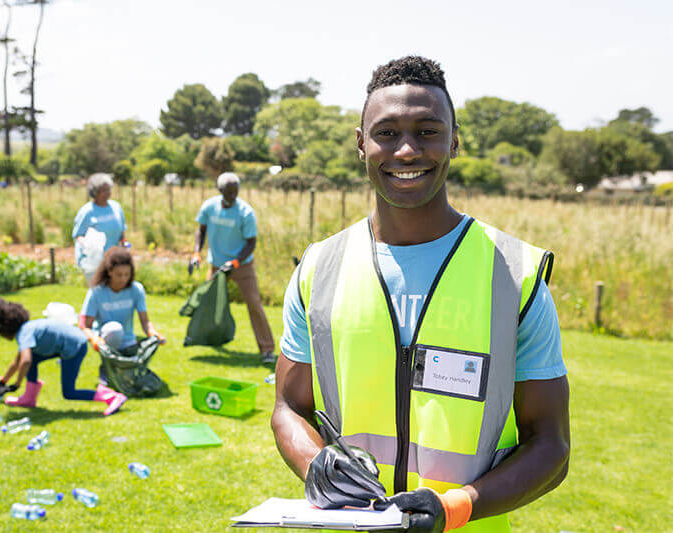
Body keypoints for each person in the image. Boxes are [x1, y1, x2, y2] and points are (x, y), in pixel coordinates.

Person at [270, 56, 570, 532]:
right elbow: (289, 407)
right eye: (387, 132)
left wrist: (456, 508)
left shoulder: (517, 275)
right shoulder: (319, 268)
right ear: (360, 143)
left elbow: (551, 444)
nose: (407, 150)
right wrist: (316, 466)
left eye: (428, 131)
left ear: (454, 140)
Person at [0, 299, 127, 416]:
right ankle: (29, 398)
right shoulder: (28, 327)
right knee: (33, 359)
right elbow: (18, 361)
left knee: (69, 392)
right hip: (73, 341)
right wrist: (3, 381)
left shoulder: (24, 334)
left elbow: (25, 361)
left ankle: (112, 397)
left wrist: (16, 384)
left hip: (74, 348)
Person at [189, 172, 276, 364]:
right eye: (228, 192)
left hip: (241, 266)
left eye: (235, 192)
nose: (232, 195)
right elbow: (200, 230)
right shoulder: (209, 207)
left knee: (254, 303)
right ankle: (210, 339)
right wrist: (196, 253)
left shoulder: (245, 212)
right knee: (208, 303)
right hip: (216, 264)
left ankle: (267, 350)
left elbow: (251, 243)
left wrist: (235, 262)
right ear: (220, 191)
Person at [80, 247, 165, 380]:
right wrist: (94, 339)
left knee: (129, 377)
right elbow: (86, 326)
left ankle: (115, 370)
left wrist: (153, 333)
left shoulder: (136, 290)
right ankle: (106, 368)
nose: (123, 279)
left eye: (127, 274)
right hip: (105, 339)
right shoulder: (96, 292)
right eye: (119, 274)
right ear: (109, 272)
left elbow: (145, 321)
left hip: (128, 341)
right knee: (115, 329)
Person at [72, 173, 128, 281]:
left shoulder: (116, 207)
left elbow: (122, 233)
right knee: (99, 292)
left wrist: (125, 246)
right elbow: (78, 235)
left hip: (114, 259)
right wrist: (89, 245)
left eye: (109, 190)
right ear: (95, 192)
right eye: (104, 190)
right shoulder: (87, 212)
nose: (108, 193)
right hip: (94, 262)